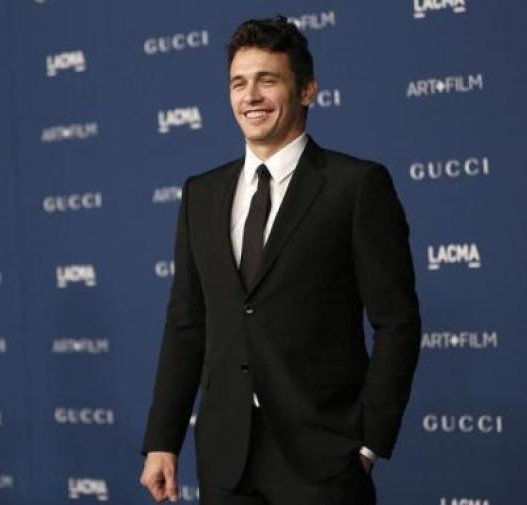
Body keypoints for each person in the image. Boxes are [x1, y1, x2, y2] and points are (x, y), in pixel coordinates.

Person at [140, 16, 421, 505]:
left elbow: (397, 322)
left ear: (308, 90)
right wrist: (163, 439)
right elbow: (187, 323)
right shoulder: (201, 194)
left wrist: (370, 442)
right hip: (226, 458)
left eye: (267, 80)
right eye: (238, 83)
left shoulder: (355, 187)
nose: (251, 96)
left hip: (323, 457)